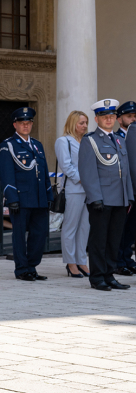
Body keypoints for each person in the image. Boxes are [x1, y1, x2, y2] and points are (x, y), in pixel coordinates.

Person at [78, 99, 132, 291]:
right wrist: (95, 198)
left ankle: (109, 275)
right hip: (101, 199)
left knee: (114, 240)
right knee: (99, 240)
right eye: (104, 117)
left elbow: (124, 171)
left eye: (111, 116)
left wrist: (129, 196)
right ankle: (97, 277)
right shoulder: (90, 140)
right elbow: (87, 172)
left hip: (119, 198)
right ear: (97, 119)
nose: (109, 120)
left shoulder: (119, 140)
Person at [0, 107, 52, 281]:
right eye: (22, 123)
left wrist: (49, 195)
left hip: (39, 198)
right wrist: (11, 198)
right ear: (15, 124)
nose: (26, 125)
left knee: (39, 234)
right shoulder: (8, 146)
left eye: (28, 122)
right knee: (20, 235)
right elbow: (7, 174)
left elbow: (44, 172)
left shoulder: (37, 145)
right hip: (21, 198)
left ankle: (32, 266)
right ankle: (22, 269)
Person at [55, 111, 91, 278]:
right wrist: (84, 179)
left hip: (89, 190)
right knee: (71, 227)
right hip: (74, 188)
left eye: (86, 123)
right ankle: (70, 262)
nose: (84, 126)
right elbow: (66, 166)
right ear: (72, 123)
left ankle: (82, 261)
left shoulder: (88, 140)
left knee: (85, 228)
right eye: (81, 123)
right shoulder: (63, 141)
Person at [115, 101, 136, 275]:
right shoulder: (116, 138)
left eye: (135, 116)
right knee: (120, 227)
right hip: (122, 189)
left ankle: (127, 258)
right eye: (129, 116)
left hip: (135, 189)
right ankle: (118, 261)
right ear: (119, 119)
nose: (133, 119)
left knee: (131, 228)